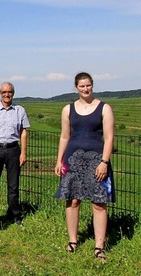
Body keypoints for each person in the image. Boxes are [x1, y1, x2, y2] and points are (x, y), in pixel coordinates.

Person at [54, 72, 114, 260]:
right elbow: (64, 136)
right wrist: (59, 160)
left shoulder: (104, 108)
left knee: (99, 203)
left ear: (92, 85)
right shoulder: (68, 109)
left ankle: (99, 246)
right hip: (72, 160)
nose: (86, 89)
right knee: (72, 200)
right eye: (82, 86)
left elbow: (109, 137)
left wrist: (104, 162)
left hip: (97, 161)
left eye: (88, 85)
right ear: (76, 87)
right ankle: (73, 241)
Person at [0, 82, 30, 226]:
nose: (7, 95)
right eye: (4, 92)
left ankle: (14, 214)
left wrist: (23, 152)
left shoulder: (19, 110)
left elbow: (23, 132)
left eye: (9, 92)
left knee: (13, 185)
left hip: (13, 150)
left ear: (13, 93)